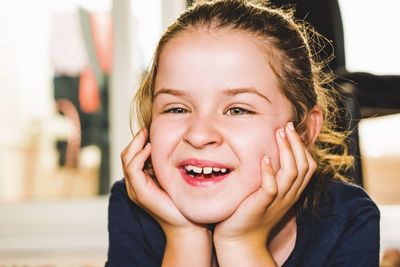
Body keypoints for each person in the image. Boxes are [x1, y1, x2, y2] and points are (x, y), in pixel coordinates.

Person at [106, 0, 380, 266]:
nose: (199, 135)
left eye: (238, 110)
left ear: (305, 130)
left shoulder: (347, 218)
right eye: (176, 109)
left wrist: (242, 242)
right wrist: (184, 237)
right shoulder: (134, 205)